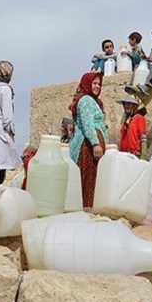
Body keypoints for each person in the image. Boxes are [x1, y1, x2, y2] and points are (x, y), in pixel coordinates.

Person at [68, 71, 108, 209]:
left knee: (92, 181)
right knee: (87, 181)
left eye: (99, 84)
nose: (97, 86)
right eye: (94, 83)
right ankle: (84, 211)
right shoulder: (86, 101)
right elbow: (87, 124)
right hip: (87, 147)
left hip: (92, 147)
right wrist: (96, 143)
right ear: (87, 83)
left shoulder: (95, 102)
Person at [117, 96, 148, 160]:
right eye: (125, 103)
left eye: (129, 104)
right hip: (124, 155)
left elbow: (143, 138)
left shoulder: (139, 118)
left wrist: (143, 156)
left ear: (135, 106)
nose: (126, 105)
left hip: (134, 156)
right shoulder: (127, 120)